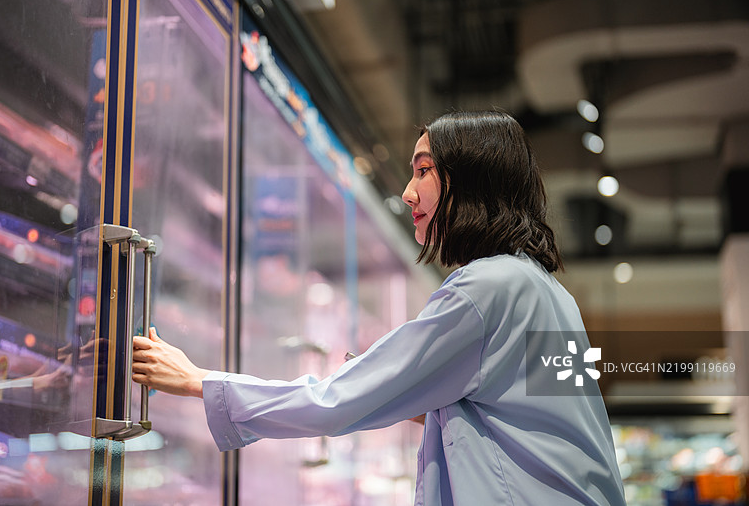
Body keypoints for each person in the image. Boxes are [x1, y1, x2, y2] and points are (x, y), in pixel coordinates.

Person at [132, 110, 626, 505]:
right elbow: (542, 426)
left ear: (473, 182)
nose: (408, 192)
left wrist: (201, 383)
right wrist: (424, 395)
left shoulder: (482, 290)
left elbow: (334, 404)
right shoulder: (551, 294)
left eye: (425, 171)